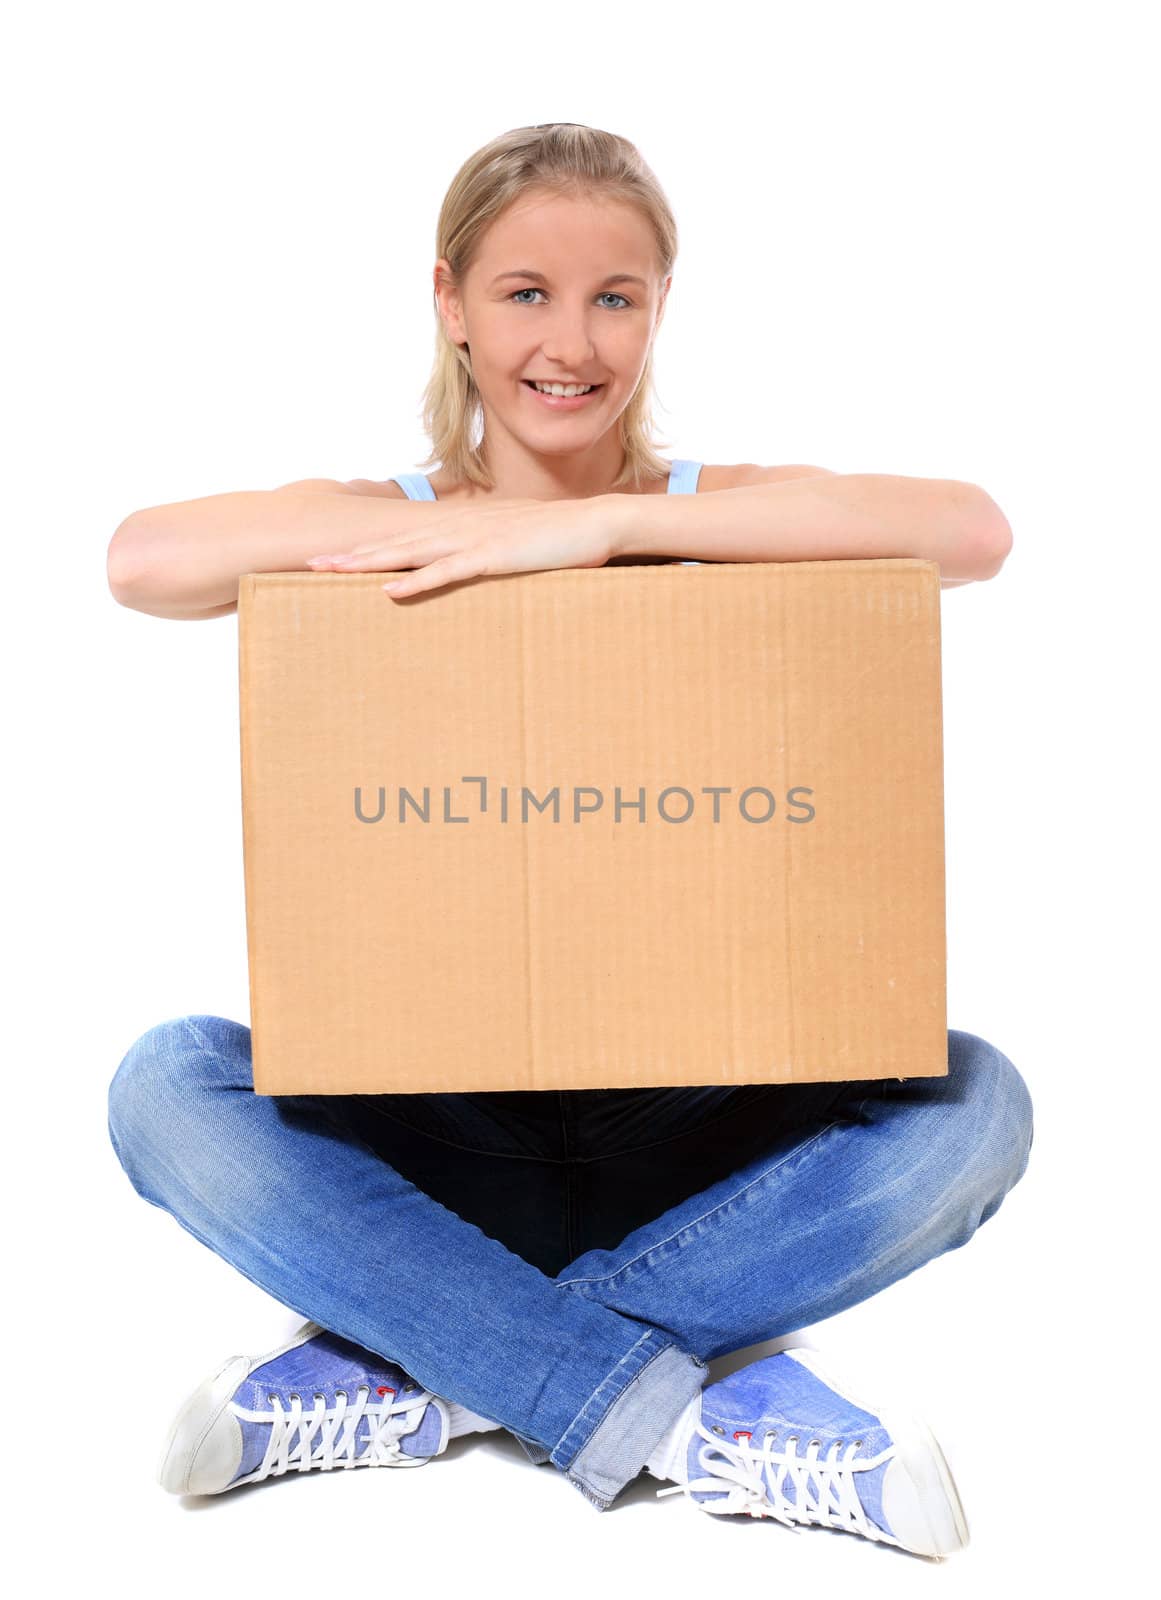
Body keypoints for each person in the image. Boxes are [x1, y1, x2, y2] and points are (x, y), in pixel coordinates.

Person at [106, 123, 1031, 1558]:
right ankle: (665, 1411)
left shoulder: (715, 512)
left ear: (658, 309)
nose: (571, 339)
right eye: (525, 291)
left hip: (702, 1122)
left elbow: (970, 531)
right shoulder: (373, 523)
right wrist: (475, 529)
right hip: (434, 1118)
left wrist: (596, 530)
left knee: (975, 1105)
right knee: (166, 1080)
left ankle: (424, 1363)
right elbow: (143, 562)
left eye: (616, 296)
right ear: (450, 303)